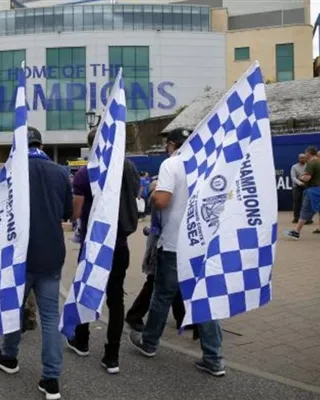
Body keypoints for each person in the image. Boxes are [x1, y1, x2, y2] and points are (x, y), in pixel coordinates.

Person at [128, 128, 226, 377]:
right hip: (203, 242)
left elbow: (162, 201)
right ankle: (214, 358)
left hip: (174, 242)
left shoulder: (172, 164)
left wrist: (152, 194)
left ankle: (149, 343)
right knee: (203, 298)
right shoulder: (210, 162)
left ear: (172, 145)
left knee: (162, 295)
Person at [0, 127, 72, 400]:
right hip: (51, 251)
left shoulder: (10, 172)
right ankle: (51, 379)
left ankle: (9, 356)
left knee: (14, 305)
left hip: (19, 254)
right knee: (49, 316)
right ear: (42, 144)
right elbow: (69, 213)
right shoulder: (60, 172)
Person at [66, 128, 140, 375]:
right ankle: (112, 355)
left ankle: (82, 340)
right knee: (115, 298)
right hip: (120, 243)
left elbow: (75, 212)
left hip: (94, 244)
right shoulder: (127, 168)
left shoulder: (85, 173)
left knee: (86, 290)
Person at [125, 179, 188, 333]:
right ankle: (134, 315)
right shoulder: (159, 198)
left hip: (166, 244)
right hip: (161, 245)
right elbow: (159, 224)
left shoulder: (165, 197)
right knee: (156, 282)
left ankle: (182, 317)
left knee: (171, 282)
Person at [285, 146, 320, 241]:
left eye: (305, 154)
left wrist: (301, 177)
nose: (304, 156)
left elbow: (307, 178)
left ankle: (296, 232)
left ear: (308, 153)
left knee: (304, 211)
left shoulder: (311, 163)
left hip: (314, 191)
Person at [290, 154, 312, 224]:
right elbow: (293, 177)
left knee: (306, 203)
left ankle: (307, 219)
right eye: (300, 158)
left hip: (307, 186)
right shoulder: (294, 167)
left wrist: (306, 183)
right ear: (298, 159)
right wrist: (300, 183)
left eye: (303, 158)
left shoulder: (309, 166)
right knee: (296, 203)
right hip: (297, 187)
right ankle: (296, 218)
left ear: (306, 158)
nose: (302, 159)